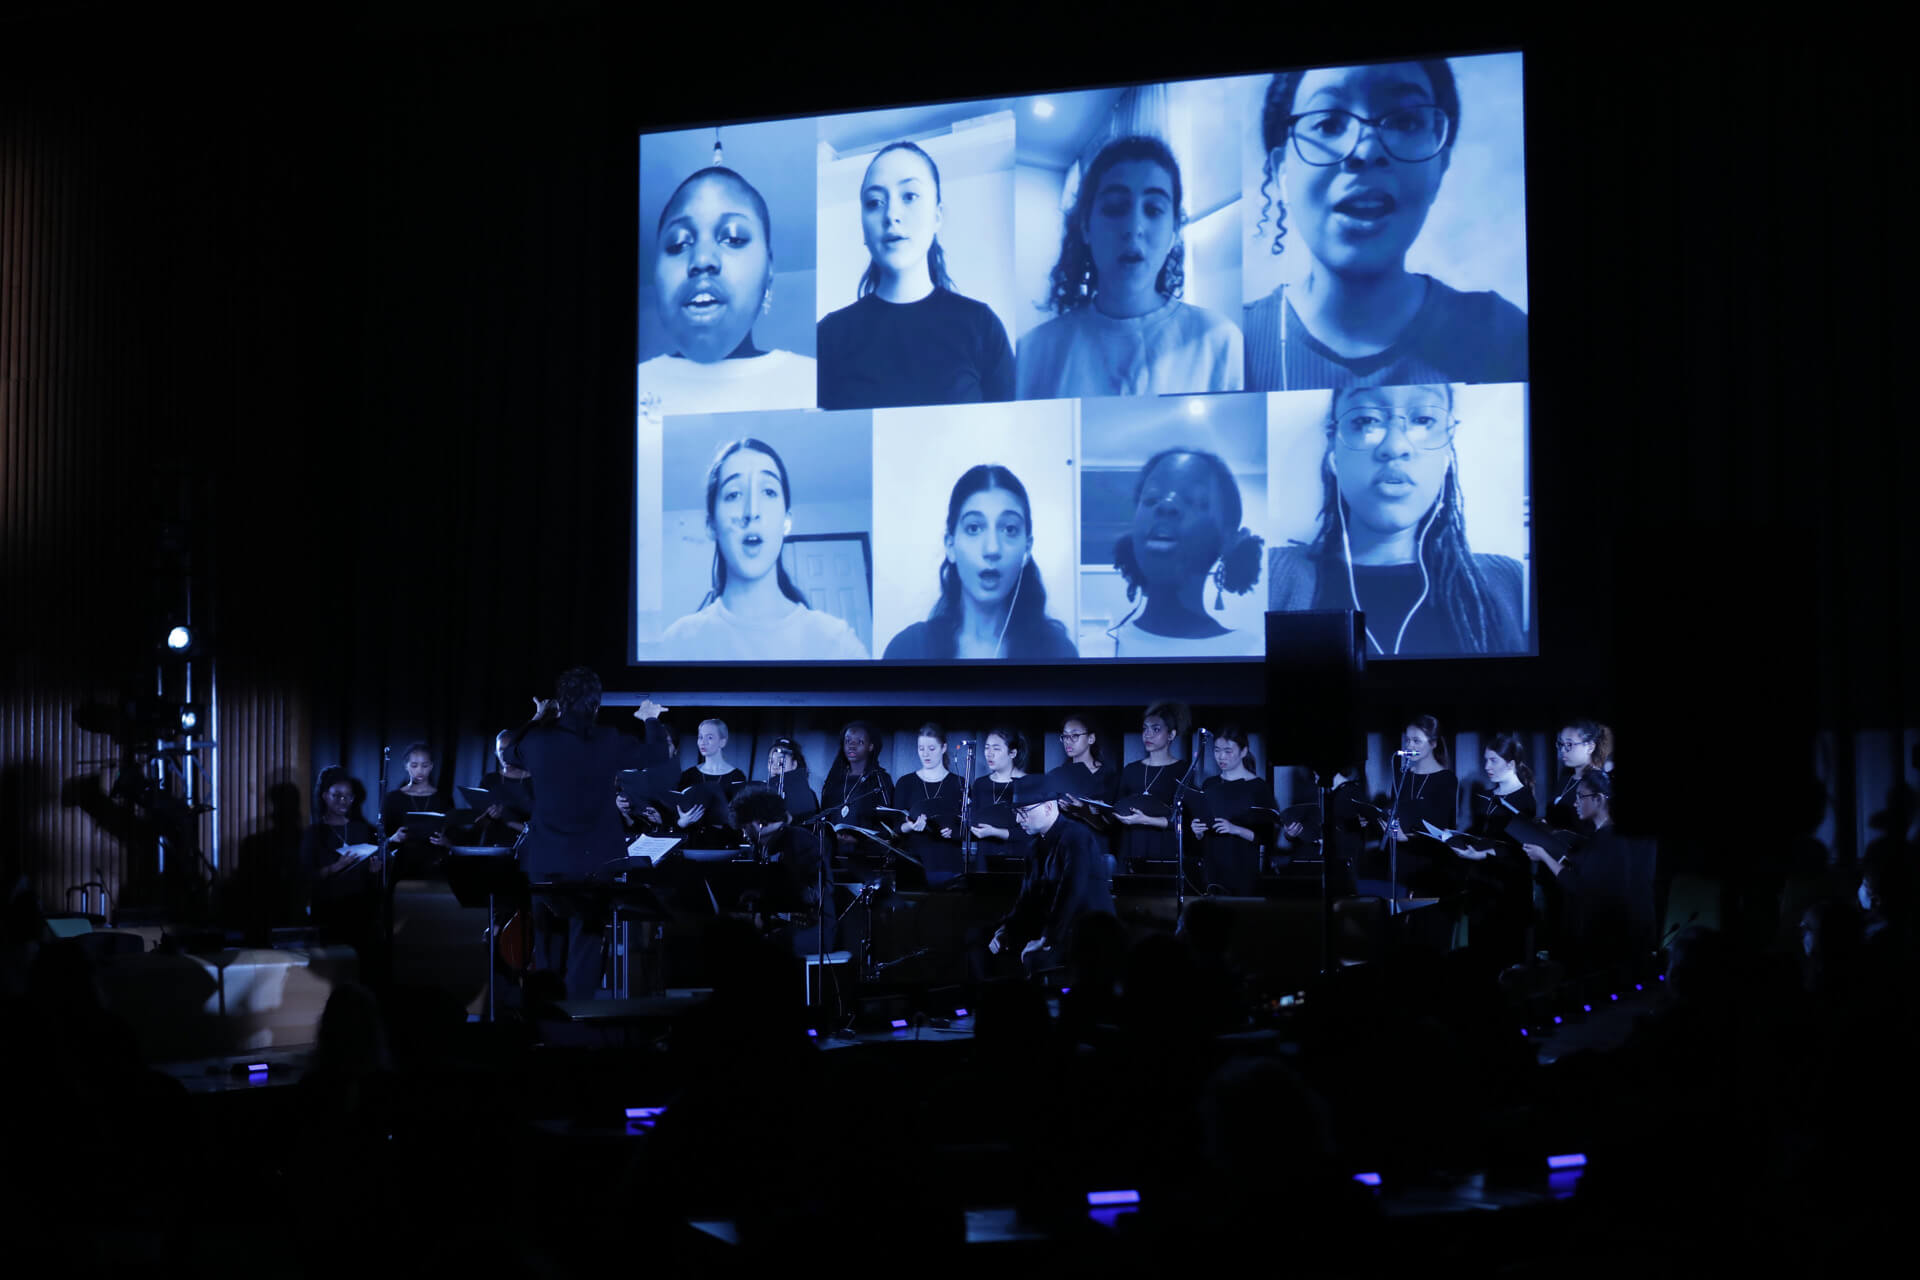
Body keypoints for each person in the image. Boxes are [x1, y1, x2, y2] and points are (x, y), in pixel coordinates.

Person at [1243, 58, 1528, 390]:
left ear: (1440, 166)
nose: (1365, 149)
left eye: (1405, 121)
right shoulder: (1232, 346)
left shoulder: (1501, 335)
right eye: (1329, 123)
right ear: (1282, 173)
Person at [1268, 384, 1527, 656]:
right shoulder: (1272, 576)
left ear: (1447, 455)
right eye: (1366, 420)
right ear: (1333, 454)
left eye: (1424, 419)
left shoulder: (1511, 582)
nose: (1395, 446)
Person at [1017, 134, 1243, 398]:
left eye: (1153, 209)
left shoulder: (1218, 341)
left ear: (1174, 231)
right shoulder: (1033, 352)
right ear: (1086, 227)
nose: (1134, 228)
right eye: (1115, 208)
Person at [500, 668, 671, 1000]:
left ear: (559, 703)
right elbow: (658, 755)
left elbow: (508, 753)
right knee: (587, 942)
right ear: (596, 704)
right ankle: (578, 1021)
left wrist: (538, 717)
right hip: (596, 860)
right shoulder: (608, 739)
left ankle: (546, 1019)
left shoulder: (537, 740)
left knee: (547, 941)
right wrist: (650, 718)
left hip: (547, 857)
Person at [817, 140, 1015, 409]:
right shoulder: (828, 335)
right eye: (874, 202)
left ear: (937, 216)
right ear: (863, 225)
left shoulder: (982, 326)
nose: (891, 215)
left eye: (909, 196)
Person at [658, 438, 869, 661]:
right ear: (711, 525)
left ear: (786, 521)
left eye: (768, 492)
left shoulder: (838, 643)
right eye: (733, 494)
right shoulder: (676, 643)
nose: (752, 511)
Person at [636, 166, 815, 420]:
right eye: (678, 244)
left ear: (769, 269)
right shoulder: (636, 384)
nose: (702, 259)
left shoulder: (814, 381)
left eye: (733, 238)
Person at [882, 464, 1077, 660]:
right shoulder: (908, 650)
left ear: (1027, 548)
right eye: (974, 528)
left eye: (1009, 529)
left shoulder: (1058, 652)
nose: (992, 549)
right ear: (950, 546)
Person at [1102, 448, 1265, 657]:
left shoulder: (1255, 654)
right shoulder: (1091, 652)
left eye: (1194, 501)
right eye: (1151, 499)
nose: (1166, 505)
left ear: (1227, 539)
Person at [1523, 771, 1655, 975]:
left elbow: (1578, 885)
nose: (1575, 803)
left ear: (1599, 799)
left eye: (1580, 796)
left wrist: (1544, 856)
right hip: (1631, 931)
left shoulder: (1606, 839)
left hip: (1606, 937)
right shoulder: (1615, 836)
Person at [988, 775, 1116, 975]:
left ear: (1048, 807)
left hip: (1087, 933)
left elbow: (1072, 891)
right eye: (1015, 812)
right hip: (1057, 928)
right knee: (981, 942)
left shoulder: (1076, 836)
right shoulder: (1035, 846)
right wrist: (1007, 929)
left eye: (1023, 812)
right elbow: (1026, 898)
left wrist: (1048, 938)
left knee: (1033, 960)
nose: (1017, 819)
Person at [1451, 732, 1538, 965]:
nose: (1487, 766)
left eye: (1493, 760)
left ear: (1510, 764)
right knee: (1480, 958)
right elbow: (1483, 836)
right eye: (1485, 760)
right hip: (1482, 888)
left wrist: (1482, 855)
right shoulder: (1488, 796)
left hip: (1507, 890)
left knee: (1505, 956)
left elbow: (1518, 850)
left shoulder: (1524, 800)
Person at [731, 783, 835, 959]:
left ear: (758, 822)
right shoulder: (762, 845)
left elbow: (817, 892)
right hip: (782, 925)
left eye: (744, 826)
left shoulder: (799, 840)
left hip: (813, 930)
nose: (743, 834)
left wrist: (770, 897)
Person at [299, 766, 382, 948]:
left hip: (359, 910)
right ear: (324, 796)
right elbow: (305, 877)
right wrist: (335, 867)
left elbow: (370, 880)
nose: (343, 801)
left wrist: (374, 872)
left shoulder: (362, 829)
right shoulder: (314, 832)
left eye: (348, 796)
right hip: (328, 910)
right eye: (337, 795)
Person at [1189, 725, 1275, 896]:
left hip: (1243, 868)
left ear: (1243, 752)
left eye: (1228, 751)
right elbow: (1203, 830)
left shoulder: (1258, 787)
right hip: (1212, 866)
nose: (1221, 757)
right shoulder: (1210, 784)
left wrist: (1235, 829)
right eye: (1217, 750)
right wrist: (1197, 831)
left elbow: (1266, 837)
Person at [1384, 714, 1459, 894]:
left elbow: (1441, 824)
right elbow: (1395, 811)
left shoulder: (1446, 779)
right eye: (1408, 741)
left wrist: (1408, 837)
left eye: (1417, 741)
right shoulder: (1403, 775)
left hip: (1429, 862)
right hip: (1400, 861)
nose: (1410, 746)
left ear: (1433, 744)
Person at [1115, 701, 1187, 871]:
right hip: (1132, 844)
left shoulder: (1182, 770)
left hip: (1163, 848)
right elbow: (1117, 806)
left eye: (1156, 729)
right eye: (1145, 729)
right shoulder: (1131, 769)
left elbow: (1184, 820)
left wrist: (1145, 820)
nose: (1148, 735)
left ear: (1171, 734)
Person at [897, 723, 965, 885]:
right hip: (914, 863)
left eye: (931, 749)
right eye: (921, 748)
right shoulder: (905, 783)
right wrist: (910, 826)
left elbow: (967, 826)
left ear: (943, 748)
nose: (925, 754)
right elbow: (895, 826)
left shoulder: (959, 783)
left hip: (949, 865)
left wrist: (953, 832)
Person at [379, 742, 453, 878]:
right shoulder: (393, 798)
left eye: (424, 765)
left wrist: (445, 841)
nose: (419, 770)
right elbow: (382, 839)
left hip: (435, 866)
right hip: (401, 865)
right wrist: (393, 838)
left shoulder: (443, 798)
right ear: (406, 766)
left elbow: (453, 836)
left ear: (431, 766)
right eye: (414, 765)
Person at [675, 718, 747, 848]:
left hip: (724, 845)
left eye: (709, 737)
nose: (703, 742)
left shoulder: (737, 776)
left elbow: (741, 817)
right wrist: (682, 822)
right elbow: (676, 815)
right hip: (692, 845)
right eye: (700, 737)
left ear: (722, 741)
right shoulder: (688, 775)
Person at [968, 727, 1034, 865]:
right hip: (984, 859)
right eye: (987, 748)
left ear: (1013, 753)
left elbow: (1031, 832)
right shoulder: (980, 783)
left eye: (996, 749)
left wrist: (995, 832)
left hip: (1017, 858)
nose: (989, 754)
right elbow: (973, 820)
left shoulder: (1028, 784)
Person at [818, 720, 895, 835]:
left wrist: (859, 839)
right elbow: (824, 816)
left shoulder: (880, 779)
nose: (852, 746)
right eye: (848, 741)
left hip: (867, 850)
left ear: (871, 747)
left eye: (859, 742)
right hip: (832, 849)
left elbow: (888, 823)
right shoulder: (834, 779)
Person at [1546, 718, 1614, 829]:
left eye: (1569, 744)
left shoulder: (1598, 784)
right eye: (1561, 744)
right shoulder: (1565, 779)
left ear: (1590, 747)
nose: (1562, 750)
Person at [1048, 713, 1121, 811]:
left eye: (1075, 735)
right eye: (1065, 736)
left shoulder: (1108, 776)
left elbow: (1112, 817)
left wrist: (1085, 810)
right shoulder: (1057, 774)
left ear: (1091, 739)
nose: (1068, 741)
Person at [765, 737, 819, 824]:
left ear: (794, 764)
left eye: (781, 763)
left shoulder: (807, 794)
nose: (774, 767)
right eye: (771, 762)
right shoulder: (763, 792)